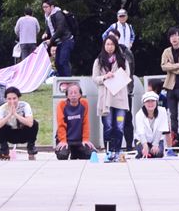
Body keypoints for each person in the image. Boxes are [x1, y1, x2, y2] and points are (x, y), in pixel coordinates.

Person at [92, 34, 130, 162]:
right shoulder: (99, 60)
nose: (110, 47)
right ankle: (109, 151)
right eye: (107, 44)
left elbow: (127, 75)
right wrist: (105, 77)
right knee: (108, 126)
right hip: (105, 100)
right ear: (104, 45)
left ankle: (117, 151)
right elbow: (95, 78)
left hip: (119, 98)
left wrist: (115, 76)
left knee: (119, 126)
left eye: (112, 44)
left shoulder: (122, 59)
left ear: (116, 45)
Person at [0, 86, 38, 160]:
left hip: (22, 133)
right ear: (6, 99)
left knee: (35, 124)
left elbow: (30, 123)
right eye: (9, 99)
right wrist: (9, 115)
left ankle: (31, 147)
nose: (12, 101)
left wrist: (16, 114)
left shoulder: (25, 106)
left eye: (14, 98)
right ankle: (4, 148)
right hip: (9, 134)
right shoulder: (2, 108)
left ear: (18, 98)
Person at [54, 82, 96, 160]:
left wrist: (85, 139)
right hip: (66, 139)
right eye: (71, 93)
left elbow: (85, 123)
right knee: (62, 156)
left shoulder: (84, 103)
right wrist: (63, 140)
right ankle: (67, 150)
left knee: (91, 154)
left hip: (79, 140)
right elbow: (61, 124)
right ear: (67, 95)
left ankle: (75, 153)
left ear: (80, 95)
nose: (73, 95)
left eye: (75, 93)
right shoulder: (62, 105)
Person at [42, 0, 76, 76]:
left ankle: (68, 80)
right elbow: (50, 27)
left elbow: (60, 29)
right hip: (60, 42)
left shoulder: (58, 14)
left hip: (67, 40)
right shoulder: (48, 16)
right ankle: (62, 79)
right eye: (43, 7)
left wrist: (51, 40)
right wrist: (46, 33)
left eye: (46, 7)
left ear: (52, 6)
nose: (44, 9)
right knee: (57, 63)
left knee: (63, 61)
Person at [133, 90, 170, 158]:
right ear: (144, 103)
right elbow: (141, 132)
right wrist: (145, 146)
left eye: (153, 101)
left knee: (159, 154)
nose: (150, 103)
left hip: (157, 139)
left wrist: (155, 144)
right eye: (147, 101)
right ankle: (146, 152)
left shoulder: (162, 111)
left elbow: (161, 129)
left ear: (156, 102)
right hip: (141, 140)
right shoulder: (139, 114)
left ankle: (150, 152)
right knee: (143, 153)